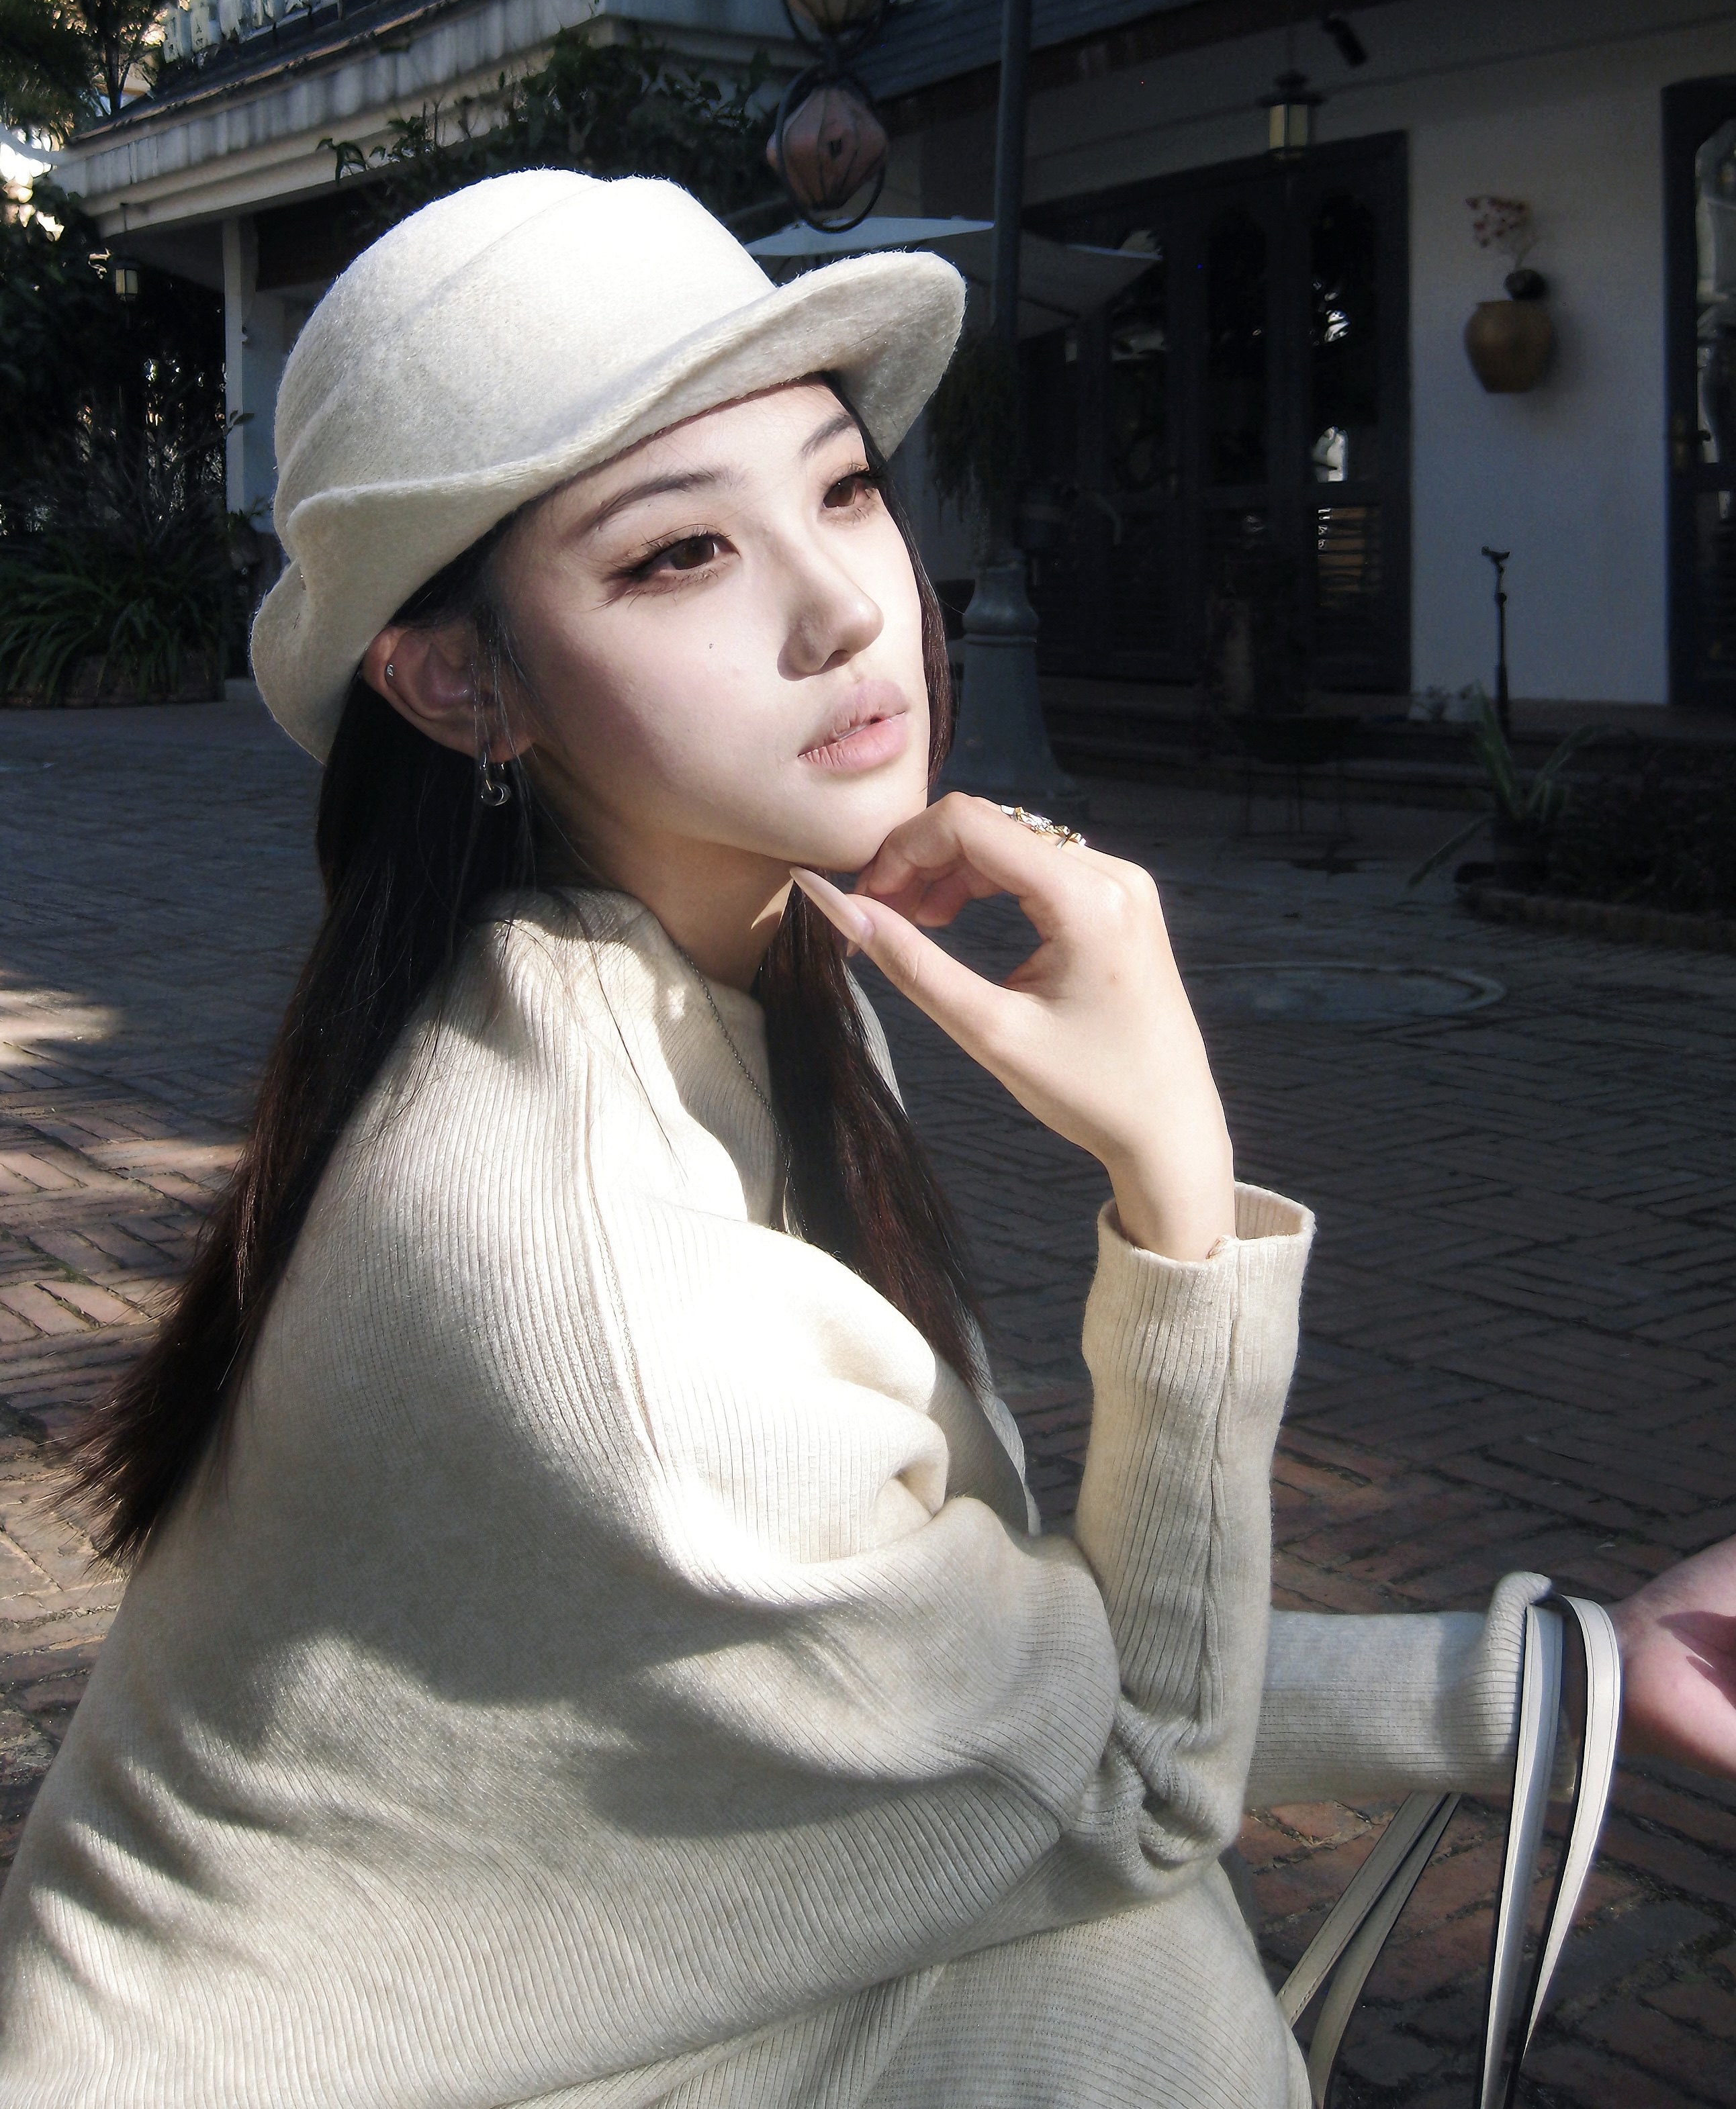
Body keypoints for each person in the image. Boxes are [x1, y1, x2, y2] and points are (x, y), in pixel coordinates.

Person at [0, 171, 1727, 2108]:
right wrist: (1175, 1178)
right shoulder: (593, 1270)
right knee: (1131, 1968)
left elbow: (986, 1693)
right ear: (458, 679)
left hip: (546, 1998)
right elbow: (1130, 1791)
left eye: (840, 491)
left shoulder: (709, 965)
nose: (844, 610)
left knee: (1116, 1988)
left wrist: (1561, 1675)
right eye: (677, 556)